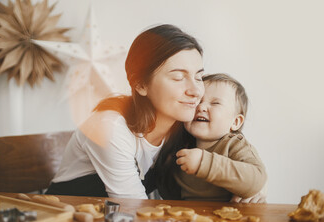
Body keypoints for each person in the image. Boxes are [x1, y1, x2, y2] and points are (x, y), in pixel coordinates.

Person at [45, 24, 205, 199]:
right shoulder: (110, 127)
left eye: (199, 77)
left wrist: (237, 190)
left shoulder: (188, 126)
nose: (195, 91)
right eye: (178, 77)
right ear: (141, 85)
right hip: (63, 217)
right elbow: (135, 207)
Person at [154, 73, 267, 202]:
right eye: (197, 101)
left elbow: (257, 179)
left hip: (231, 218)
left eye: (215, 103)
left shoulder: (234, 145)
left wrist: (205, 162)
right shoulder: (180, 146)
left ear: (235, 122)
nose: (201, 107)